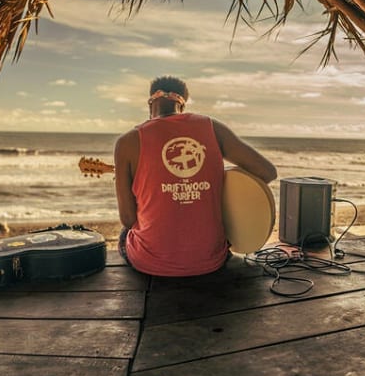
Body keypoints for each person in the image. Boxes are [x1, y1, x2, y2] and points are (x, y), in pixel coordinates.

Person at [114, 75, 277, 276]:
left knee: (125, 234)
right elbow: (267, 172)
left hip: (151, 264)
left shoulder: (127, 142)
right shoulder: (211, 127)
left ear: (150, 104)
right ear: (182, 105)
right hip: (212, 260)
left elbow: (129, 219)